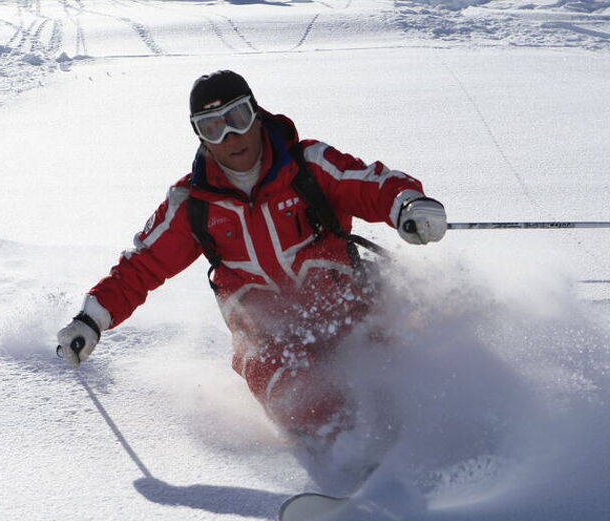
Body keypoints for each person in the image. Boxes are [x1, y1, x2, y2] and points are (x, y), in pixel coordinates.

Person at [58, 70, 446, 440]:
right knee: (283, 386)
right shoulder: (192, 205)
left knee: (399, 361)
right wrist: (90, 320)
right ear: (200, 136)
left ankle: (427, 430)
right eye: (213, 127)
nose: (231, 135)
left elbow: (369, 185)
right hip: (271, 338)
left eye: (238, 117)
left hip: (350, 309)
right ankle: (341, 453)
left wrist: (407, 205)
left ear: (257, 114)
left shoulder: (308, 166)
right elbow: (141, 267)